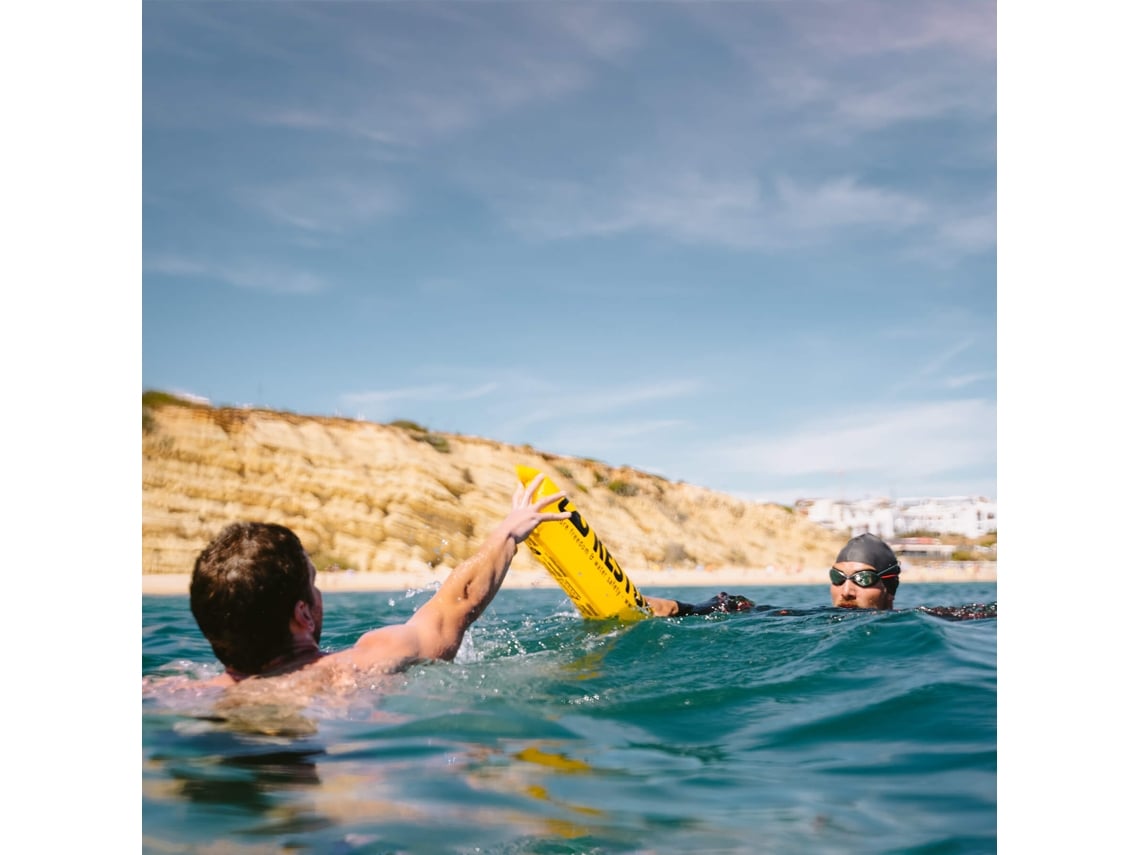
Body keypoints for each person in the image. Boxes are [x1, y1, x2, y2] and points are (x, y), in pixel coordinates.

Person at [188, 473, 571, 686]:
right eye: (313, 582)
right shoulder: (361, 664)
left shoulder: (179, 692)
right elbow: (459, 603)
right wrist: (507, 532)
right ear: (302, 614)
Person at [643, 532, 902, 617]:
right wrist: (681, 608)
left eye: (863, 580)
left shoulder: (911, 625)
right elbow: (738, 605)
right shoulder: (817, 619)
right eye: (838, 578)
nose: (846, 591)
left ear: (888, 591)